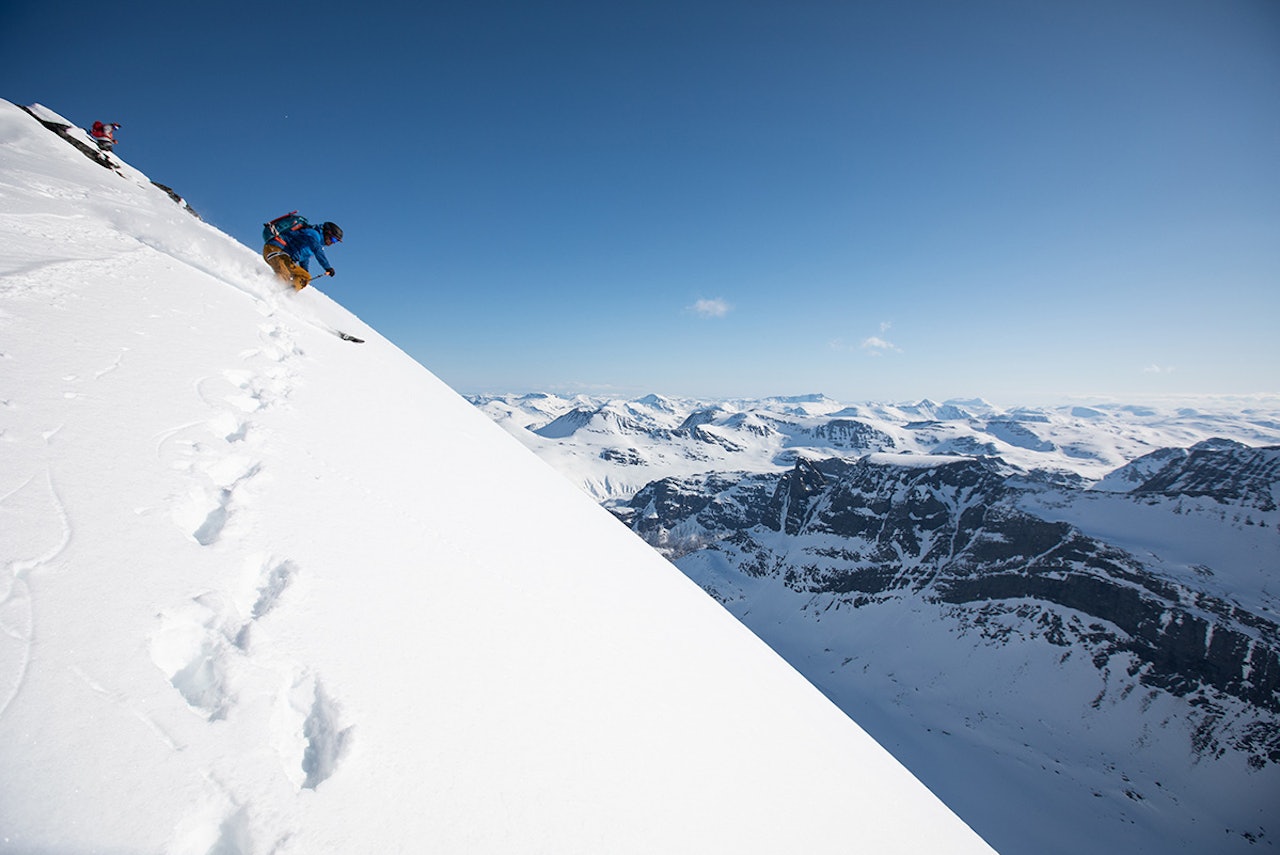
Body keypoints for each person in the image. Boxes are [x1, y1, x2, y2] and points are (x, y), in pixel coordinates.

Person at [263, 220, 343, 291]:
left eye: (336, 241)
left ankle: (287, 292)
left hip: (283, 255)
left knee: (305, 277)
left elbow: (304, 257)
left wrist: (305, 270)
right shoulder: (313, 234)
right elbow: (317, 250)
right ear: (327, 233)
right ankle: (267, 291)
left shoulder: (314, 241)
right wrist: (327, 267)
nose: (333, 243)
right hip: (276, 249)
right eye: (333, 239)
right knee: (284, 275)